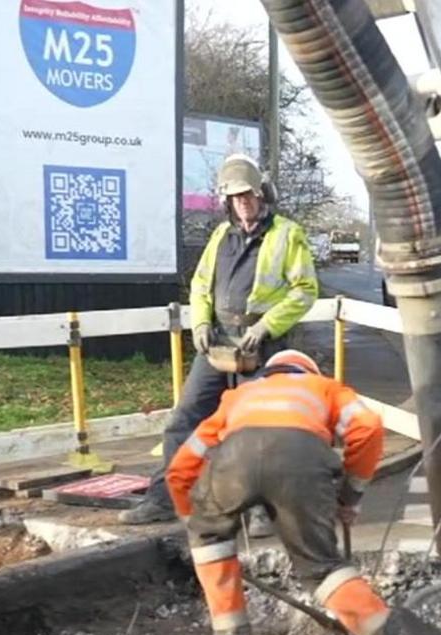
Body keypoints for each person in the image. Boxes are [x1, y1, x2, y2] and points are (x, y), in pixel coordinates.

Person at [166, 349, 393, 635]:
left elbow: (180, 469)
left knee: (210, 540)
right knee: (320, 566)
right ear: (309, 370)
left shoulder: (238, 396)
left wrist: (193, 520)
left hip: (232, 463)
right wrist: (350, 496)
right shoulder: (326, 388)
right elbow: (368, 427)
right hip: (301, 462)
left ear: (269, 372)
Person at [120, 153, 319, 534]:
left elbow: (305, 290)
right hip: (217, 344)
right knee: (184, 420)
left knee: (256, 427)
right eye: (235, 197)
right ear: (227, 202)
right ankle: (162, 499)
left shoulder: (286, 235)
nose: (243, 202)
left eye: (248, 195)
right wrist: (200, 322)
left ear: (262, 195)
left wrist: (266, 325)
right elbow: (200, 285)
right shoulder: (221, 237)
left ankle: (259, 510)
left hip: (260, 346)